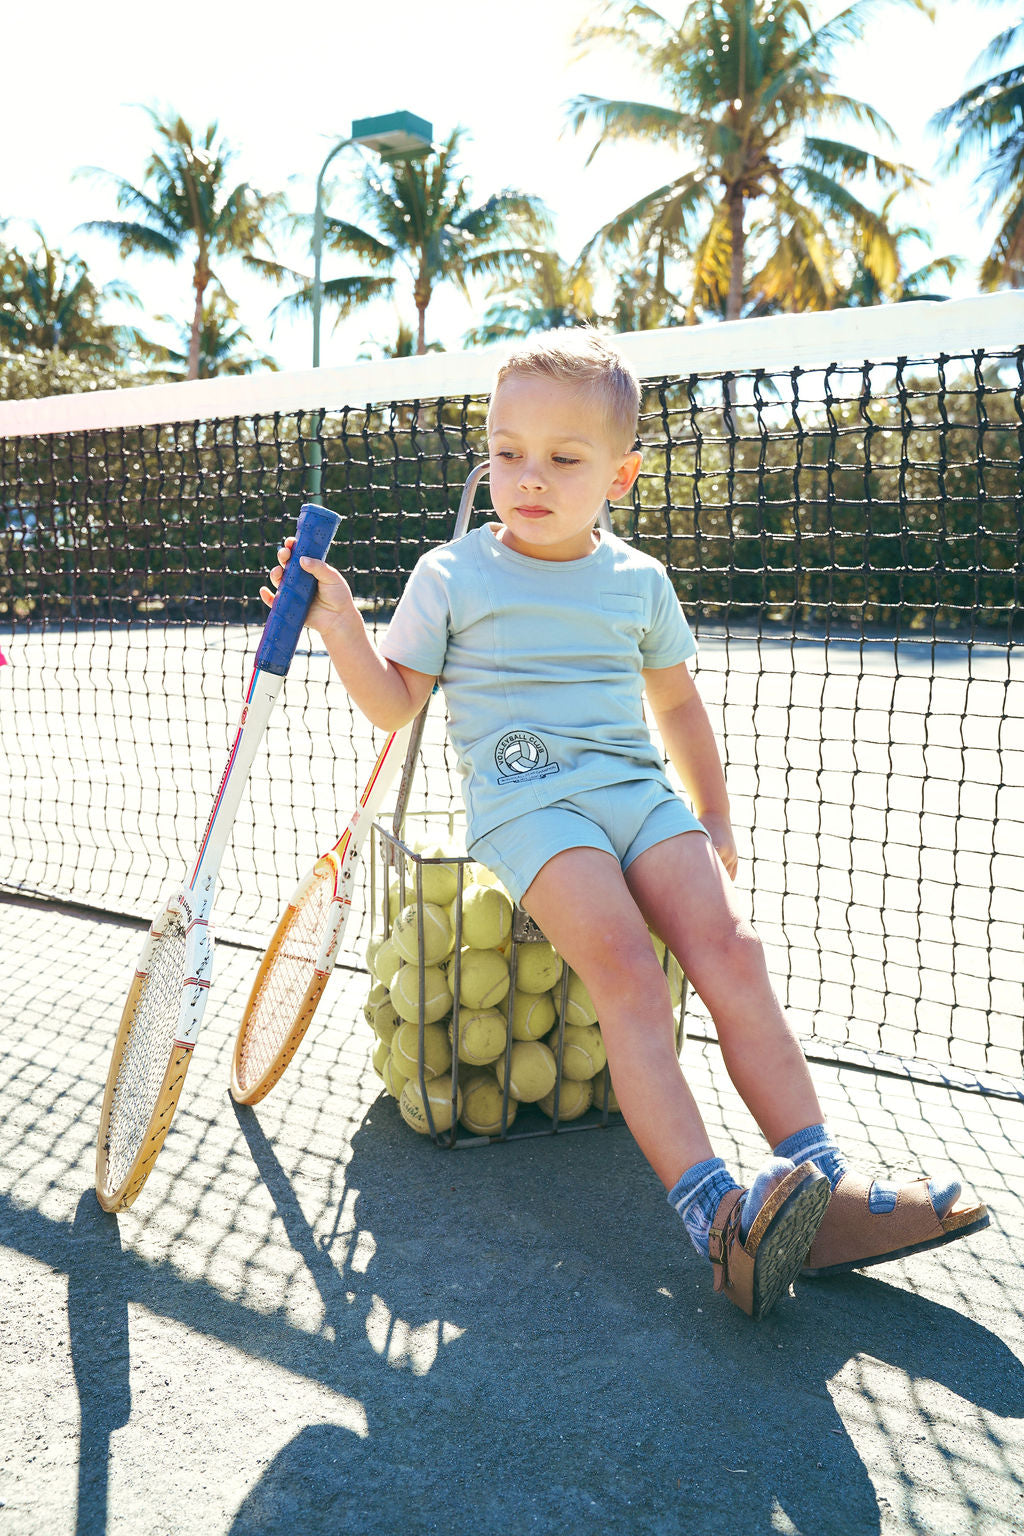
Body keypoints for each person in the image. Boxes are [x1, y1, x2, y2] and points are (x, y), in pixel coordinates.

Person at [263, 330, 988, 1320]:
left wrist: (715, 812)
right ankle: (717, 1217)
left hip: (637, 795)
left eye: (564, 459)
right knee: (626, 972)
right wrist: (341, 625)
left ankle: (818, 1185)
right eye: (508, 450)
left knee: (731, 948)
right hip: (528, 808)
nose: (530, 476)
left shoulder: (638, 580)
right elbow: (396, 707)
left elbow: (678, 708)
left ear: (622, 473)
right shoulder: (449, 574)